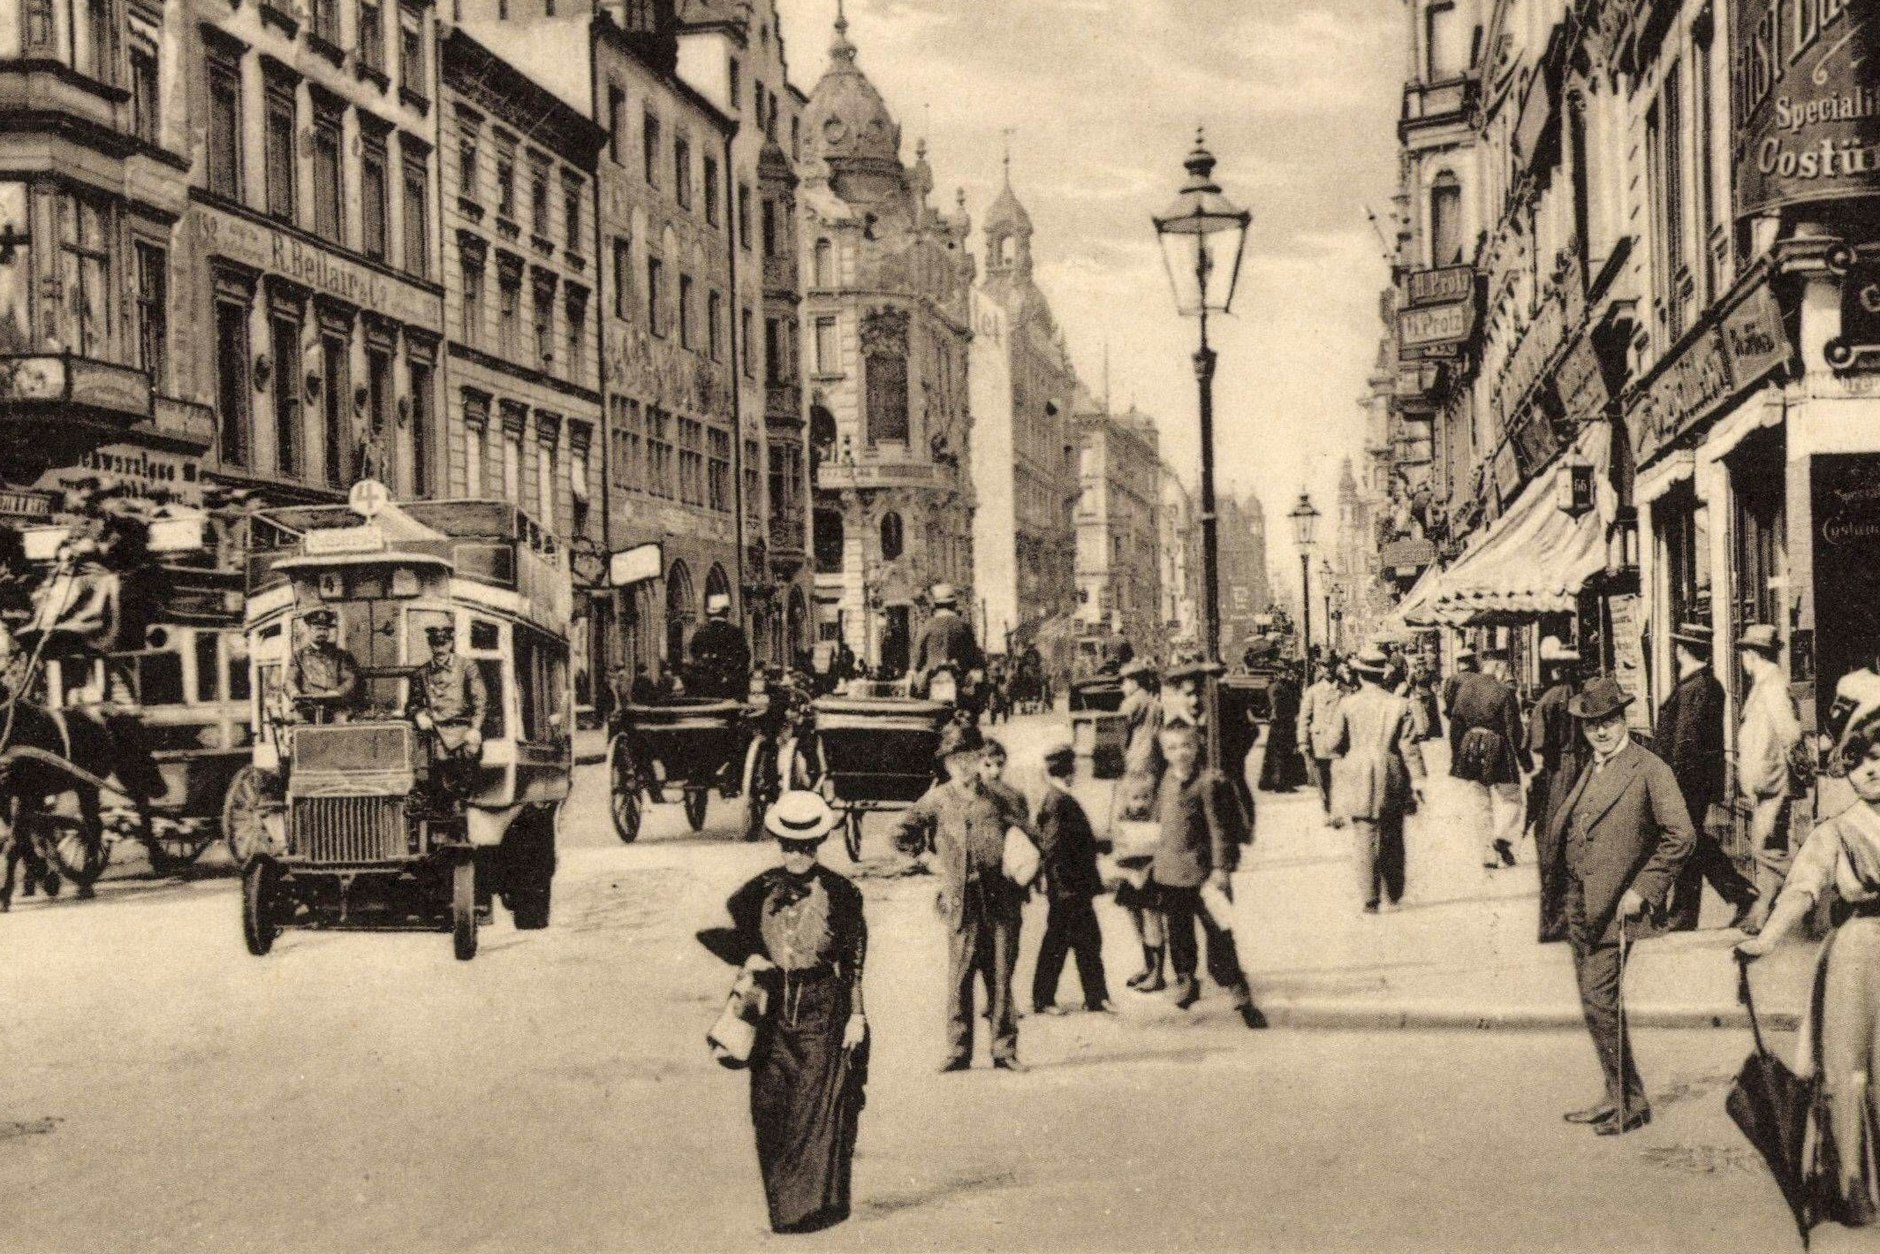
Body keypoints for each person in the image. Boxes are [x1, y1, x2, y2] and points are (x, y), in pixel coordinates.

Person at [1737, 722, 1880, 1228]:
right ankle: (1851, 1188)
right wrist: (1766, 940)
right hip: (1856, 954)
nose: (1870, 770)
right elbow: (1801, 889)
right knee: (1845, 1071)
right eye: (1858, 762)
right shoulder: (1835, 830)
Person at [714, 791, 868, 1235]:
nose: (796, 856)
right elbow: (737, 931)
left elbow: (854, 960)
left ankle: (816, 1207)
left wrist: (857, 1015)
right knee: (770, 1106)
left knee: (817, 1108)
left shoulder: (842, 893)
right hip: (773, 1009)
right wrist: (750, 957)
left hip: (823, 1005)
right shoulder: (757, 891)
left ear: (818, 845)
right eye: (788, 846)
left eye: (805, 847)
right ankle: (784, 1209)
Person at [1546, 677, 1695, 1136]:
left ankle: (1631, 1102)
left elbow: (1681, 835)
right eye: (1591, 725)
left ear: (1623, 719)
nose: (1600, 731)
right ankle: (1617, 1094)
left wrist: (1644, 889)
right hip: (1578, 900)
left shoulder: (1649, 768)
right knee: (1595, 1004)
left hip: (1617, 905)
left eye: (1608, 722)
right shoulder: (1589, 766)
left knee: (1600, 999)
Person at [893, 720, 1035, 1072]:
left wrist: (1021, 860)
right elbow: (900, 832)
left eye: (970, 757)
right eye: (955, 759)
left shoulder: (1003, 798)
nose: (963, 766)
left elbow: (1031, 837)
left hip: (1001, 899)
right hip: (960, 900)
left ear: (980, 757)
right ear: (946, 763)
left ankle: (1004, 1049)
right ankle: (958, 1050)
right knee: (960, 976)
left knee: (1000, 975)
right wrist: (927, 860)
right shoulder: (937, 799)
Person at [1151, 723, 1264, 1029]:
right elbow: (1160, 822)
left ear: (1197, 746)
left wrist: (1220, 868)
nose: (1180, 753)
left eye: (1186, 745)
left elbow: (1219, 830)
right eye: (1172, 747)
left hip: (1205, 877)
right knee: (1179, 935)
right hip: (1170, 874)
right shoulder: (1165, 781)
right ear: (1164, 752)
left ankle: (1241, 997)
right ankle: (1187, 981)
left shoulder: (1208, 783)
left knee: (1220, 935)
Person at [1657, 624, 1758, 933]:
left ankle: (1692, 910)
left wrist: (1668, 785)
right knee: (1692, 842)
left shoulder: (1696, 687)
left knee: (1688, 842)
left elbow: (1685, 744)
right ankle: (1732, 897)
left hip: (1686, 782)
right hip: (1693, 781)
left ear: (1681, 650)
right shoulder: (1703, 684)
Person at [1331, 647, 1425, 914]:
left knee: (1365, 835)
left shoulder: (1347, 704)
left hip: (1358, 773)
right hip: (1391, 772)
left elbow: (1333, 743)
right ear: (1383, 675)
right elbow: (1410, 747)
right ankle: (1394, 892)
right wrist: (1419, 781)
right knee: (1392, 832)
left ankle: (1370, 898)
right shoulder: (1399, 705)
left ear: (1360, 675)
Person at [1031, 738, 1113, 1016]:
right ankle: (1047, 999)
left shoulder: (1056, 798)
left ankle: (1094, 997)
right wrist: (1056, 882)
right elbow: (1052, 847)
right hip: (1068, 886)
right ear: (1068, 771)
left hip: (1071, 885)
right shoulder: (1059, 801)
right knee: (1062, 941)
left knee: (1084, 939)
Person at [1737, 624, 1803, 934]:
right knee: (1768, 847)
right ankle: (1762, 914)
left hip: (1773, 781)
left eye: (1744, 653)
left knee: (1764, 848)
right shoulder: (1765, 684)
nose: (1743, 660)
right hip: (1766, 780)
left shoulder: (1772, 685)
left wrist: (1769, 768)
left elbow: (1790, 732)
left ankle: (1817, 891)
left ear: (1752, 654)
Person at [1448, 642, 1531, 869]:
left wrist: (1456, 755)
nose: (1506, 673)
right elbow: (1514, 730)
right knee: (1512, 797)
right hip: (1497, 746)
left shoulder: (1465, 689)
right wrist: (1524, 760)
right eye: (1504, 668)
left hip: (1470, 745)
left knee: (1480, 802)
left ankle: (1488, 854)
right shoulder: (1503, 692)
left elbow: (1455, 724)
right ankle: (1501, 836)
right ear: (1497, 666)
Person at [1528, 637, 1587, 944]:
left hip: (1559, 774)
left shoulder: (1549, 699)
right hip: (1587, 770)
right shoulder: (1586, 697)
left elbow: (1538, 745)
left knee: (1552, 843)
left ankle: (1555, 922)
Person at [1115, 659, 1169, 990]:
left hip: (1136, 791)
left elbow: (1117, 741)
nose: (1123, 686)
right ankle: (1152, 967)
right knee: (1140, 897)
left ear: (1135, 681)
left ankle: (1154, 969)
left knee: (1142, 897)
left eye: (1126, 680)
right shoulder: (1158, 706)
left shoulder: (1133, 703)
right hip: (1149, 791)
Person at [407, 623, 488, 793]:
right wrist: (419, 714)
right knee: (435, 775)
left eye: (443, 644)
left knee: (467, 771)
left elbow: (480, 700)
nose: (440, 649)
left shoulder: (467, 666)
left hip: (462, 728)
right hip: (436, 731)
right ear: (430, 646)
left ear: (450, 644)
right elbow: (412, 704)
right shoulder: (422, 673)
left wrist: (475, 728)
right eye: (435, 645)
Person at [285, 607, 360, 721]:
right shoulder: (299, 656)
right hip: (307, 707)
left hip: (334, 707)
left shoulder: (341, 655)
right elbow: (290, 680)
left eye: (325, 629)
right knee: (297, 723)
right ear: (309, 630)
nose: (322, 633)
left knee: (343, 721)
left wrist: (337, 692)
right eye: (318, 629)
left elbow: (350, 679)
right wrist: (294, 693)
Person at [1299, 658, 1345, 821]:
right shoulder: (1313, 691)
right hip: (1320, 741)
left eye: (1331, 665)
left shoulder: (1346, 690)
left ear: (1336, 666)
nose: (1328, 669)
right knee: (1323, 779)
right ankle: (1327, 810)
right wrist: (1303, 741)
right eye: (1324, 666)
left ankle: (1337, 812)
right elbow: (1304, 717)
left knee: (1340, 778)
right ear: (1319, 668)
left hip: (1341, 742)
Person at [688, 594, 751, 701]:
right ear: (726, 612)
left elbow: (694, 654)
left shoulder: (700, 633)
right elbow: (745, 658)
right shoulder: (735, 632)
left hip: (705, 687)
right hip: (731, 688)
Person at [1257, 661, 1308, 793]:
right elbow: (1276, 706)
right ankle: (1279, 783)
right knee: (1279, 754)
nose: (1286, 673)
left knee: (1283, 753)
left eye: (1286, 671)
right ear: (1278, 673)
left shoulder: (1286, 686)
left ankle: (1279, 782)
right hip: (1280, 724)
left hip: (1286, 723)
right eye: (1283, 671)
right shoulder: (1276, 687)